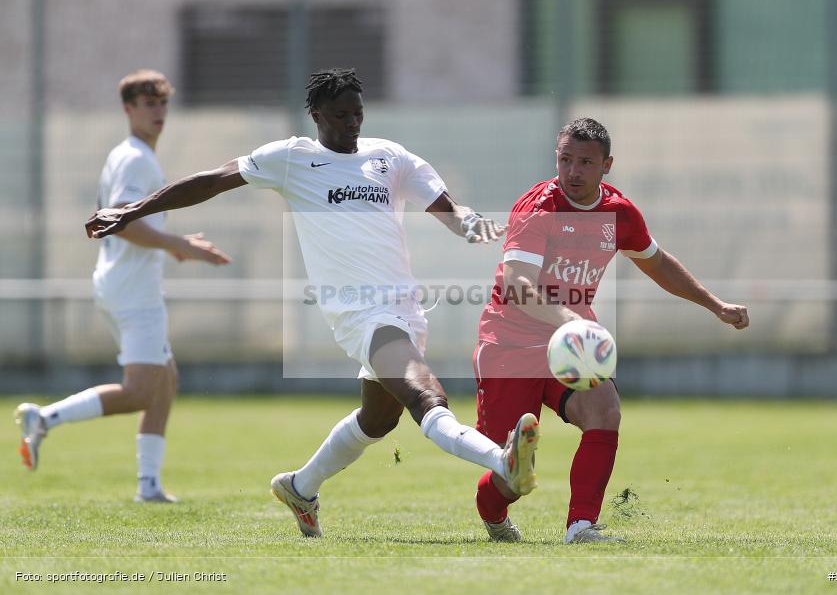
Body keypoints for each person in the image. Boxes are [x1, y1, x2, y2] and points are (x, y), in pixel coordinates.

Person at [84, 68, 541, 536]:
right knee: (427, 396)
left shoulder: (391, 157)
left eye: (358, 113)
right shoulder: (292, 158)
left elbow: (448, 208)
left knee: (377, 420)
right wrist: (132, 210)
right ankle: (502, 459)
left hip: (404, 310)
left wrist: (469, 223)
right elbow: (211, 180)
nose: (352, 123)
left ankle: (300, 488)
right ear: (317, 115)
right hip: (360, 314)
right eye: (341, 115)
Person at [472, 117, 750, 543]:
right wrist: (568, 318)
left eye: (585, 162)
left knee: (605, 411)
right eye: (565, 160)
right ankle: (494, 512)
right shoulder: (539, 207)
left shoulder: (618, 213)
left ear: (607, 165)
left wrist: (714, 305)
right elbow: (516, 282)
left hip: (570, 343)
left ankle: (581, 526)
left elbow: (656, 262)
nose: (573, 172)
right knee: (509, 471)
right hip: (509, 343)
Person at [15, 70, 231, 503]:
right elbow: (120, 222)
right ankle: (44, 419)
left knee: (165, 379)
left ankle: (148, 485)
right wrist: (180, 244)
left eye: (163, 103)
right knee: (139, 392)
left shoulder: (127, 154)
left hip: (121, 284)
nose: (158, 112)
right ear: (128, 109)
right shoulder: (135, 159)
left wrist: (172, 246)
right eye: (148, 103)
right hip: (134, 291)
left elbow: (114, 218)